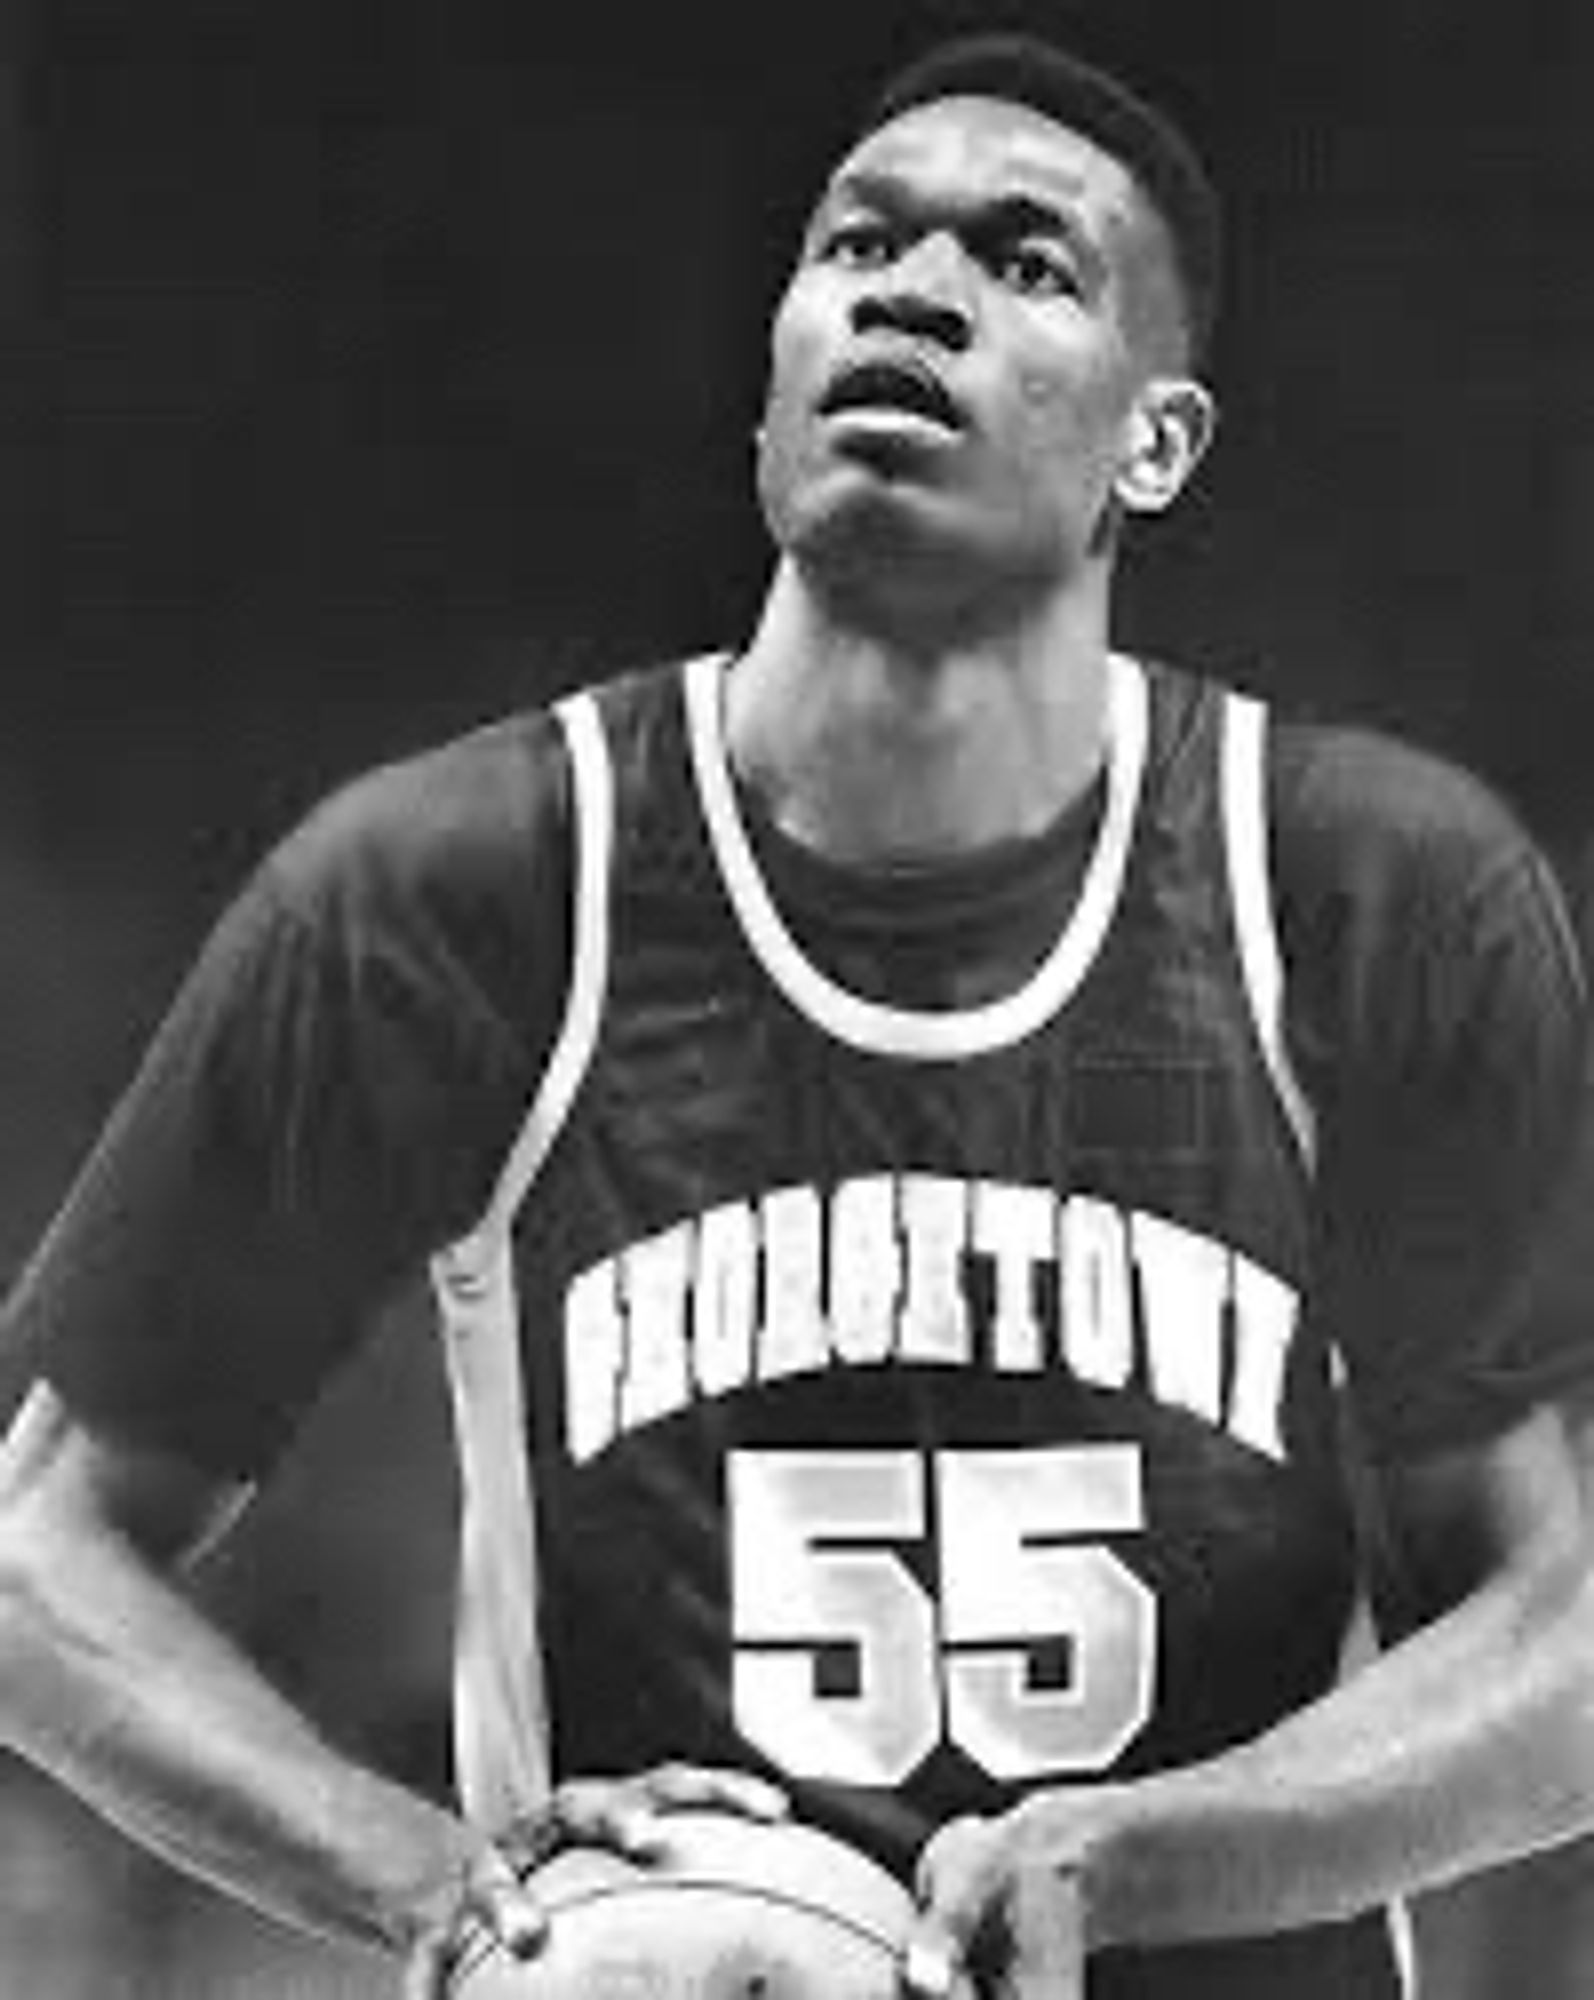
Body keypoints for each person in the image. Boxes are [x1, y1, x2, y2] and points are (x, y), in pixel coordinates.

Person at [1, 27, 1593, 2000]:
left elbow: (1559, 1648)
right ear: (768, 378)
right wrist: (423, 1884)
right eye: (857, 246)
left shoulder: (1371, 896)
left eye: (1023, 264)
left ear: (1153, 442)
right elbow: (37, 1560)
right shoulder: (458, 893)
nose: (910, 292)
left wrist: (1137, 1856)